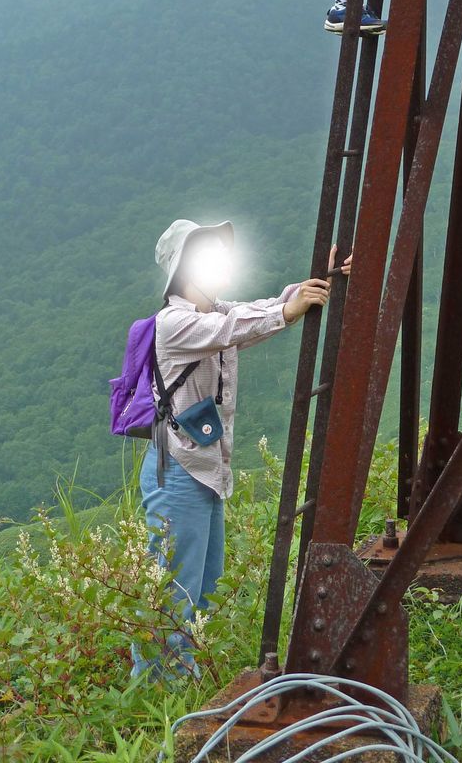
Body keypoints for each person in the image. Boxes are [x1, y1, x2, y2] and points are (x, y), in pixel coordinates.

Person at [131, 217, 348, 679]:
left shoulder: (212, 313)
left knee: (204, 583)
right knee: (174, 589)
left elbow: (255, 313)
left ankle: (184, 679)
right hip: (178, 471)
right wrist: (289, 311)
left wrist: (317, 284)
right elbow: (239, 325)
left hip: (203, 467)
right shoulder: (174, 324)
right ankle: (154, 690)